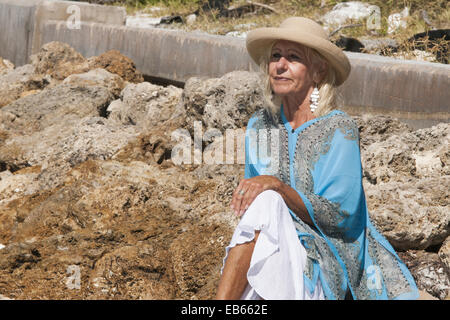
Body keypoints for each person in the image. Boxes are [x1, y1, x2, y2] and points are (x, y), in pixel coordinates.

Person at [215, 17, 419, 300]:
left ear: (318, 72)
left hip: (326, 257)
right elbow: (251, 207)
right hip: (274, 249)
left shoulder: (338, 129)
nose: (280, 65)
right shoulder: (259, 125)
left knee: (268, 199)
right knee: (264, 203)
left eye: (293, 57)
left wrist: (278, 187)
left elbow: (342, 214)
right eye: (276, 56)